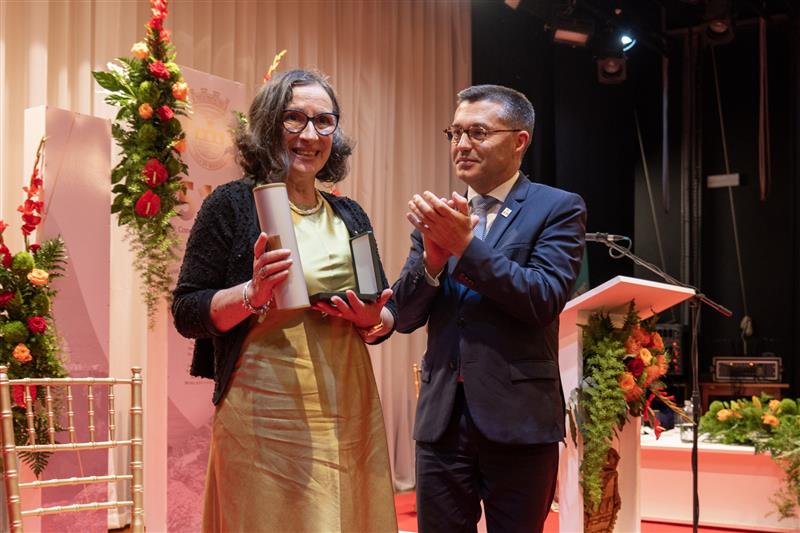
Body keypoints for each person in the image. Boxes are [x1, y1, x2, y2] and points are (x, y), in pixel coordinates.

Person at [172, 69, 398, 533]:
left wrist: (375, 320)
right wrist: (251, 294)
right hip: (265, 412)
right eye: (294, 119)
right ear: (268, 125)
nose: (309, 135)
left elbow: (381, 305)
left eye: (324, 121)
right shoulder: (232, 204)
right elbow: (187, 310)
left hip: (348, 405)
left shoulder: (349, 213)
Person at [392, 84, 586, 533]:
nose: (461, 144)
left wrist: (466, 247)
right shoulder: (441, 215)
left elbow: (542, 298)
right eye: (455, 133)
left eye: (477, 132)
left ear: (519, 141)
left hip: (519, 420)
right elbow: (403, 316)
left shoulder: (557, 207)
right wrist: (432, 263)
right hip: (442, 421)